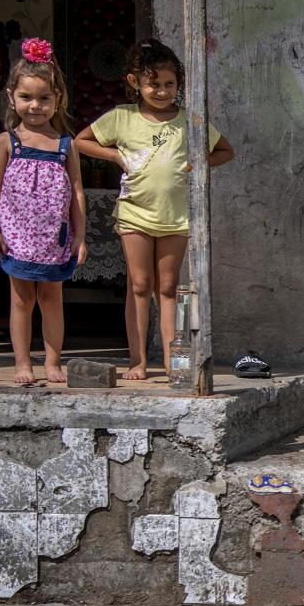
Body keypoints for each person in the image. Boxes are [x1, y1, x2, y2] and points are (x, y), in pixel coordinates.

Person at [75, 39, 233, 380]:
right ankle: (138, 361)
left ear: (178, 83)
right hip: (135, 214)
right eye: (153, 84)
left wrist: (196, 164)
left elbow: (224, 151)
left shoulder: (189, 121)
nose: (162, 92)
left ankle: (171, 361)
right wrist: (116, 155)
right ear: (135, 83)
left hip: (176, 217)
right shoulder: (122, 117)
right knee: (139, 285)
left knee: (167, 286)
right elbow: (81, 140)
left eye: (169, 84)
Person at [0, 38, 86, 386]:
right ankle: (22, 363)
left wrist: (80, 237)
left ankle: (53, 361)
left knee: (51, 298)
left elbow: (76, 192)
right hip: (18, 236)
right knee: (21, 299)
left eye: (44, 98)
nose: (35, 106)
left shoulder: (65, 144)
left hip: (53, 237)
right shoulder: (7, 142)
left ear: (57, 99)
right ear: (12, 97)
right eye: (27, 97)